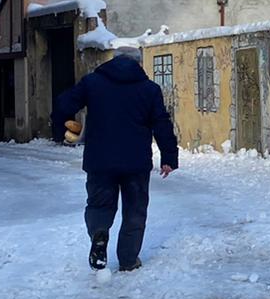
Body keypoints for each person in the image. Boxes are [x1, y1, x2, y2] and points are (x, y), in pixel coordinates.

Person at [52, 50, 178, 272]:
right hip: (136, 162)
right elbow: (161, 123)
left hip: (100, 160)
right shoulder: (150, 89)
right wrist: (168, 157)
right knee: (135, 211)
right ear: (139, 64)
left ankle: (99, 234)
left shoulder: (92, 83)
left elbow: (65, 103)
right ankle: (128, 260)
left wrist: (59, 125)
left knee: (99, 205)